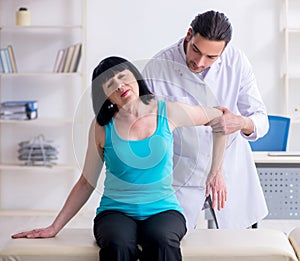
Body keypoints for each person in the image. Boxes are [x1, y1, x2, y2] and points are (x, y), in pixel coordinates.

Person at [12, 56, 226, 261]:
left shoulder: (167, 111)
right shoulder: (101, 127)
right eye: (109, 83)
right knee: (119, 244)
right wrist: (54, 227)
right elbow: (86, 182)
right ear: (104, 94)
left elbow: (220, 119)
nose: (118, 84)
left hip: (163, 209)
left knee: (161, 241)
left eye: (121, 76)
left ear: (134, 76)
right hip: (115, 212)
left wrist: (215, 171)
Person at [142, 10, 269, 229]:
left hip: (231, 169)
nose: (200, 62)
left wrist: (241, 123)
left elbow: (260, 118)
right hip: (182, 171)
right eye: (196, 51)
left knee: (237, 248)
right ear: (189, 34)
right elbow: (145, 126)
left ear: (224, 50)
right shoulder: (158, 67)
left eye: (211, 57)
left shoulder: (236, 61)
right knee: (176, 242)